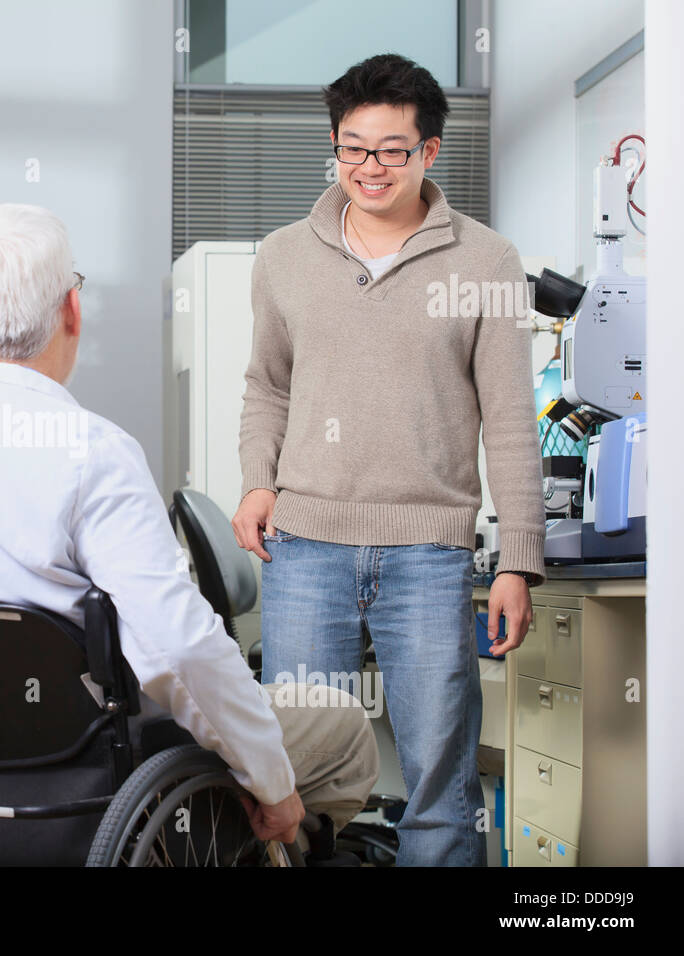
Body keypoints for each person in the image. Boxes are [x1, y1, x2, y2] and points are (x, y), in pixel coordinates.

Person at [0, 203, 380, 859]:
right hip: (91, 795)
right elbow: (177, 648)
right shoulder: (91, 451)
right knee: (339, 726)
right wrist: (272, 782)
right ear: (71, 311)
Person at [231, 54, 545, 866]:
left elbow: (511, 421)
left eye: (392, 149)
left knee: (440, 777)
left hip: (430, 555)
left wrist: (519, 559)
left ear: (430, 152)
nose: (370, 168)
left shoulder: (488, 262)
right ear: (334, 147)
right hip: (305, 547)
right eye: (353, 147)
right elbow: (266, 387)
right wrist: (257, 482)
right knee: (298, 772)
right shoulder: (283, 256)